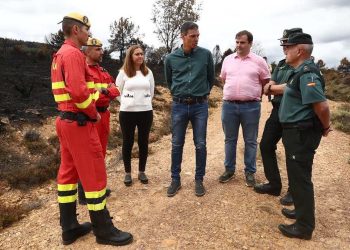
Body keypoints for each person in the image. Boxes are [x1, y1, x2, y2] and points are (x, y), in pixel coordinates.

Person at [51, 12, 132, 246]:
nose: (89, 34)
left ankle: (69, 227)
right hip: (78, 122)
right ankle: (104, 230)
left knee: (68, 173)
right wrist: (93, 113)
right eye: (87, 29)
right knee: (95, 174)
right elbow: (78, 92)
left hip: (64, 120)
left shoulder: (59, 54)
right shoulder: (74, 54)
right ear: (76, 30)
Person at [277, 33, 331, 239]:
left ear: (299, 50)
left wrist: (325, 127)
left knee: (300, 179)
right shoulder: (299, 71)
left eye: (288, 47)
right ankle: (300, 211)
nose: (285, 50)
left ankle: (304, 226)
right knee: (299, 175)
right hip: (295, 131)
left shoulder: (307, 73)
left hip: (301, 132)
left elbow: (322, 106)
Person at [164, 21, 215, 197]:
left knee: (200, 144)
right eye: (192, 36)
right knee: (177, 144)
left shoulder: (206, 55)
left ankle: (199, 180)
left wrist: (202, 93)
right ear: (183, 36)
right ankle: (175, 180)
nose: (196, 39)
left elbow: (210, 78)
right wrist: (179, 93)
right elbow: (169, 81)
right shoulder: (170, 58)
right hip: (179, 105)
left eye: (198, 35)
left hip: (200, 105)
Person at [254, 28, 302, 206]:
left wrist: (273, 88)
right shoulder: (282, 64)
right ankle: (274, 184)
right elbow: (272, 83)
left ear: (298, 45)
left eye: (287, 44)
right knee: (266, 144)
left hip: (295, 113)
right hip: (277, 110)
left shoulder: (304, 65)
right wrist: (274, 87)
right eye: (283, 43)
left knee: (293, 154)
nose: (284, 47)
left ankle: (294, 191)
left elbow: (289, 87)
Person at [218, 30, 270, 187]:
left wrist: (254, 96)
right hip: (229, 106)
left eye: (242, 42)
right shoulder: (227, 60)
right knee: (229, 139)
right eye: (237, 42)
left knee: (250, 141)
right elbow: (223, 79)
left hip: (251, 107)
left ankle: (250, 172)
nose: (239, 45)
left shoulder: (259, 61)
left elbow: (266, 82)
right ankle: (229, 170)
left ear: (250, 43)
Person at [77, 37, 120, 204]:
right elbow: (89, 96)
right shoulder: (83, 70)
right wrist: (106, 90)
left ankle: (97, 188)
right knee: (88, 155)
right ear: (87, 51)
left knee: (100, 152)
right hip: (90, 116)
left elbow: (116, 89)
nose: (101, 52)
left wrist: (106, 91)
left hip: (104, 116)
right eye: (97, 49)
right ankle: (83, 192)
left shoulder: (103, 70)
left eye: (101, 49)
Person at [115, 45, 154, 186]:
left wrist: (143, 103)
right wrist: (127, 103)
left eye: (142, 54)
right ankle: (127, 173)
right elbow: (117, 92)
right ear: (130, 56)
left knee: (143, 142)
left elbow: (152, 91)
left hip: (145, 112)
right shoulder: (123, 72)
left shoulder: (148, 72)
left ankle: (141, 171)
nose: (140, 56)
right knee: (128, 142)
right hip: (127, 113)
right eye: (137, 54)